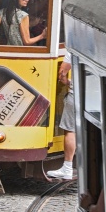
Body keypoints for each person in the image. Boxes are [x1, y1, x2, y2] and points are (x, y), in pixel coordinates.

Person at [47, 51, 76, 180]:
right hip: (99, 95)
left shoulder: (74, 47)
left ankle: (67, 168)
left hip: (77, 95)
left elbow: (62, 74)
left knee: (70, 131)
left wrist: (68, 82)